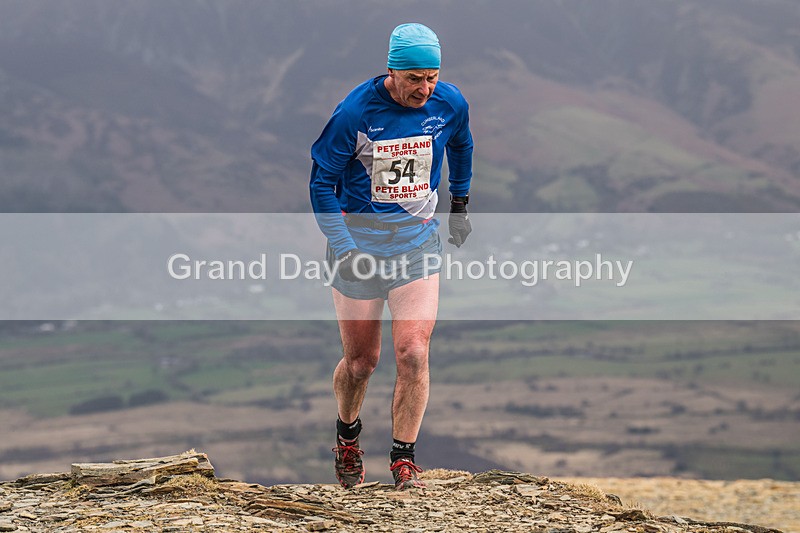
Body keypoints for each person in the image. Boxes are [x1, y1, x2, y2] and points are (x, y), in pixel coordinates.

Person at [309, 22, 473, 490]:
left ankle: (404, 460)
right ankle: (347, 436)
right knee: (361, 362)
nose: (425, 89)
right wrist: (344, 248)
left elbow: (462, 144)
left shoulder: (450, 103)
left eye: (432, 77)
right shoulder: (354, 113)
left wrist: (459, 204)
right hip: (357, 244)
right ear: (392, 72)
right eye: (414, 79)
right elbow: (320, 184)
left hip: (415, 244)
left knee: (414, 352)